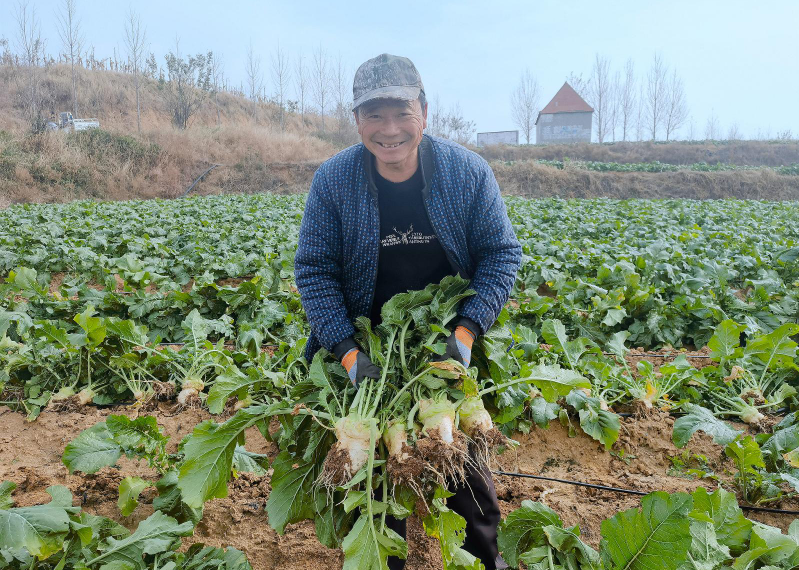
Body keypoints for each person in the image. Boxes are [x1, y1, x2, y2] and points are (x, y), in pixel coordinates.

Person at [294, 53, 521, 570]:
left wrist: (466, 331)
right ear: (357, 121)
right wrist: (348, 354)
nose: (389, 128)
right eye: (374, 114)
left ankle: (487, 560)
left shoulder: (466, 173)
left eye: (401, 112)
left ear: (424, 110)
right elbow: (314, 271)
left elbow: (501, 254)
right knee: (378, 486)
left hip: (442, 346)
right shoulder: (334, 181)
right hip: (369, 347)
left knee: (467, 479)